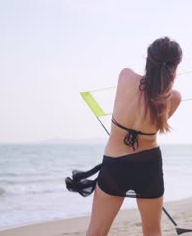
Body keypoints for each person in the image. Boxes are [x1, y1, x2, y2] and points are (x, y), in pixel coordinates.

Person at [68, 37, 182, 236]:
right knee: (153, 232)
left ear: (148, 59)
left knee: (96, 232)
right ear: (175, 67)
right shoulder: (174, 98)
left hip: (116, 164)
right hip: (149, 166)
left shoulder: (126, 76)